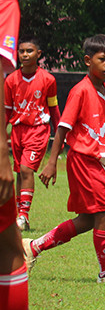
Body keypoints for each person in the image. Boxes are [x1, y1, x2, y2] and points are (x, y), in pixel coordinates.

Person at [24, 34, 105, 286]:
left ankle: (33, 246)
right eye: (102, 59)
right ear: (88, 60)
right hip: (82, 160)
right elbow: (62, 128)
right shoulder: (80, 91)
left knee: (88, 219)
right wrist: (52, 162)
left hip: (96, 163)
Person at [0, 0, 45, 310]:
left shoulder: (47, 81)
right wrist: (2, 152)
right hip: (7, 136)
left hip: (33, 133)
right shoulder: (3, 0)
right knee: (11, 254)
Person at [5, 38, 61, 231]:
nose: (25, 54)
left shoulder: (48, 79)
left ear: (38, 54)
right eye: (21, 51)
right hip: (18, 130)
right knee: (19, 172)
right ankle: (19, 216)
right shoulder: (11, 80)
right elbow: (6, 111)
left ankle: (23, 215)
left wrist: (60, 135)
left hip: (38, 130)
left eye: (29, 51)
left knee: (26, 169)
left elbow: (53, 109)